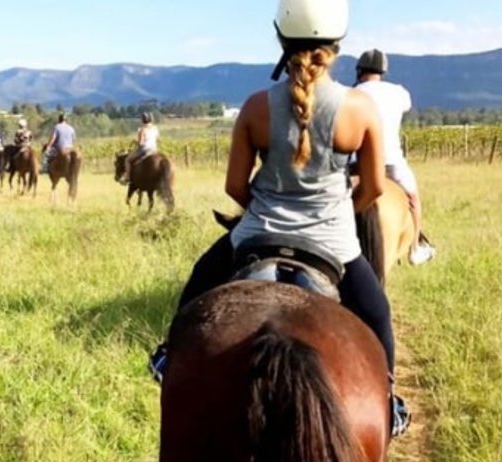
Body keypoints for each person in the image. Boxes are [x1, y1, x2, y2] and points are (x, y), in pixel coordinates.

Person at [146, 0, 410, 438]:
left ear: (281, 39)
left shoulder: (254, 108)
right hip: (334, 242)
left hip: (257, 234)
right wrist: (340, 212)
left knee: (199, 282)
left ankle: (168, 357)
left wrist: (266, 210)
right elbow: (374, 189)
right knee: (377, 312)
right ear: (336, 44)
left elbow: (235, 187)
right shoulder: (360, 109)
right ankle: (389, 403)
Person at [355, 48, 435, 265]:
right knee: (413, 198)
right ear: (383, 71)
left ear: (359, 70)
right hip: (390, 160)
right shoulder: (398, 92)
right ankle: (416, 248)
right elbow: (406, 106)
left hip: (356, 163)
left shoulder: (351, 93)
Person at [119, 112, 159, 185]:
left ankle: (127, 177)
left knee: (127, 160)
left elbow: (140, 143)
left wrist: (134, 142)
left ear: (142, 120)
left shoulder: (142, 129)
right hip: (154, 149)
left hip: (145, 149)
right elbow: (156, 139)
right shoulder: (155, 128)